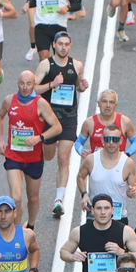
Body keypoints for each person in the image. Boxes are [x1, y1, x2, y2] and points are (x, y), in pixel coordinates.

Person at [0, 70, 64, 226]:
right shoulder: (9, 100)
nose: (25, 87)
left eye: (28, 83)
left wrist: (39, 138)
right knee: (16, 198)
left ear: (34, 85)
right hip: (13, 156)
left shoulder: (40, 103)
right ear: (17, 83)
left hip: (34, 158)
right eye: (22, 83)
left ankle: (31, 225)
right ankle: (18, 231)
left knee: (32, 197)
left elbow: (57, 127)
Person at [37, 31, 91, 216]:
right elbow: (34, 89)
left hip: (68, 116)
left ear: (70, 45)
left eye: (66, 44)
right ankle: (54, 142)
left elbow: (77, 85)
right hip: (49, 117)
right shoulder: (45, 64)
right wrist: (52, 84)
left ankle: (58, 200)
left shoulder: (76, 65)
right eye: (60, 44)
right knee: (49, 156)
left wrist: (81, 87)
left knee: (63, 159)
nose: (63, 47)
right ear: (54, 44)